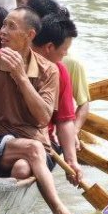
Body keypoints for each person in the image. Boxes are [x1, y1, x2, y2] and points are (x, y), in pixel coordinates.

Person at [0, 6, 91, 214]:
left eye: (11, 26)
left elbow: (44, 118)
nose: (3, 31)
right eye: (4, 25)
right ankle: (60, 212)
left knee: (22, 168)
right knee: (32, 150)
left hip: (37, 147)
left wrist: (21, 77)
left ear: (30, 35)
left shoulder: (49, 70)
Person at [30, 12, 82, 179]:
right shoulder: (13, 60)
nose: (65, 54)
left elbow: (64, 120)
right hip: (9, 138)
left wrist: (71, 160)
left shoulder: (60, 71)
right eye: (64, 49)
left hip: (45, 144)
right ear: (49, 47)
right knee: (21, 168)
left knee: (22, 168)